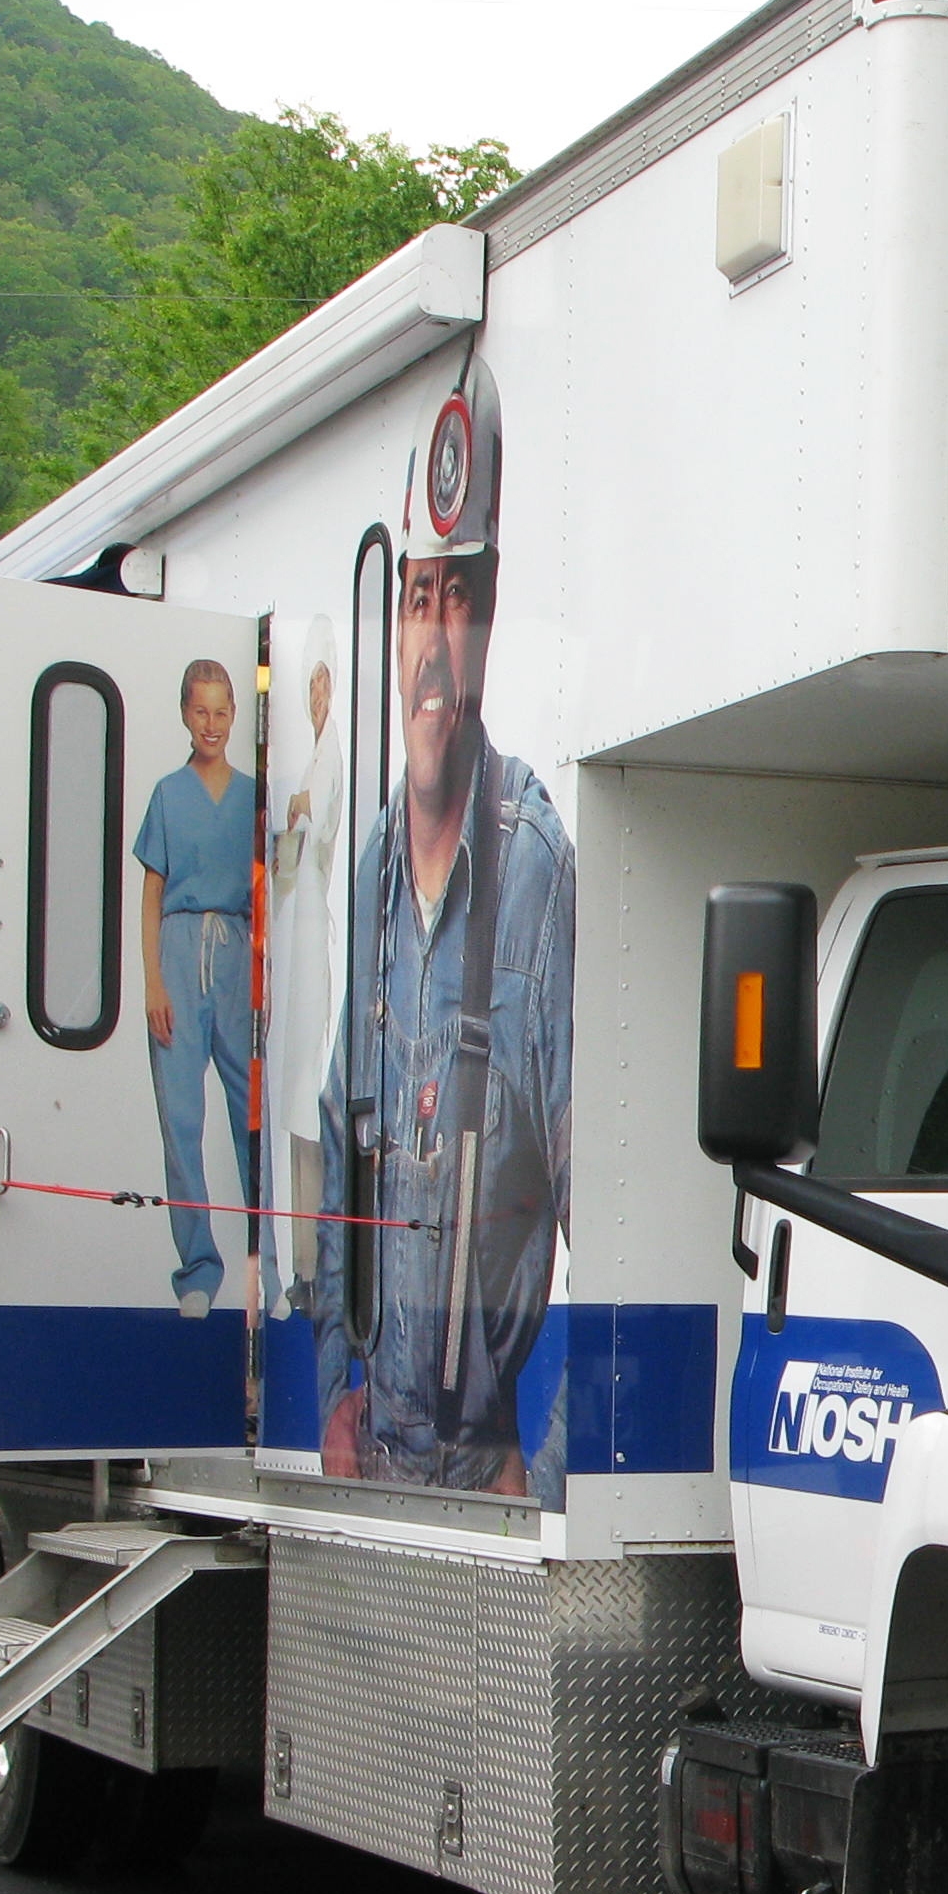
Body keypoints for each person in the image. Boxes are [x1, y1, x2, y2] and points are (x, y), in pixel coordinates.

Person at [307, 353, 575, 1504]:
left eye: (460, 599)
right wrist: (330, 1384)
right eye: (419, 596)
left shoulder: (535, 867)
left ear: (493, 617)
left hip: (483, 1458)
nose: (435, 636)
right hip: (375, 1449)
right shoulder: (368, 865)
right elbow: (335, 1142)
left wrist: (551, 1462)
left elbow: (596, 1195)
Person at [136, 656, 260, 1317]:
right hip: (180, 953)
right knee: (181, 1117)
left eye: (222, 711)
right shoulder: (166, 794)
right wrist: (154, 981)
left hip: (236, 952)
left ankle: (265, 1257)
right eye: (200, 711)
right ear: (186, 714)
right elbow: (150, 894)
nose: (211, 724)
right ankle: (198, 1268)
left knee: (252, 1114)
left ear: (235, 714)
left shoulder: (251, 794)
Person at [267, 619, 350, 1298]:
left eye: (325, 682)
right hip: (293, 935)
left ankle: (318, 1256)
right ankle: (298, 1258)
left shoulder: (331, 761)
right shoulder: (307, 763)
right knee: (292, 1084)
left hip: (312, 940)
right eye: (311, 685)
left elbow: (313, 827)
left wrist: (297, 812)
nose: (318, 697)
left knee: (309, 1091)